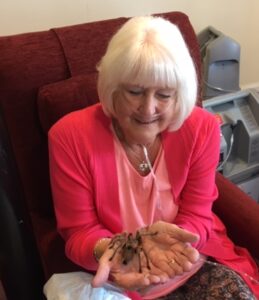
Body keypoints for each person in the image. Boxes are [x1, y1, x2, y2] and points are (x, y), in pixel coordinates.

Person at [48, 15, 259, 299]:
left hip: (194, 262)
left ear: (180, 94)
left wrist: (174, 245)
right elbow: (79, 233)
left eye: (164, 95)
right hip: (120, 278)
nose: (148, 110)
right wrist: (120, 251)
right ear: (112, 87)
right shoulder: (69, 137)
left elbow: (198, 214)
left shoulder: (201, 129)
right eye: (135, 92)